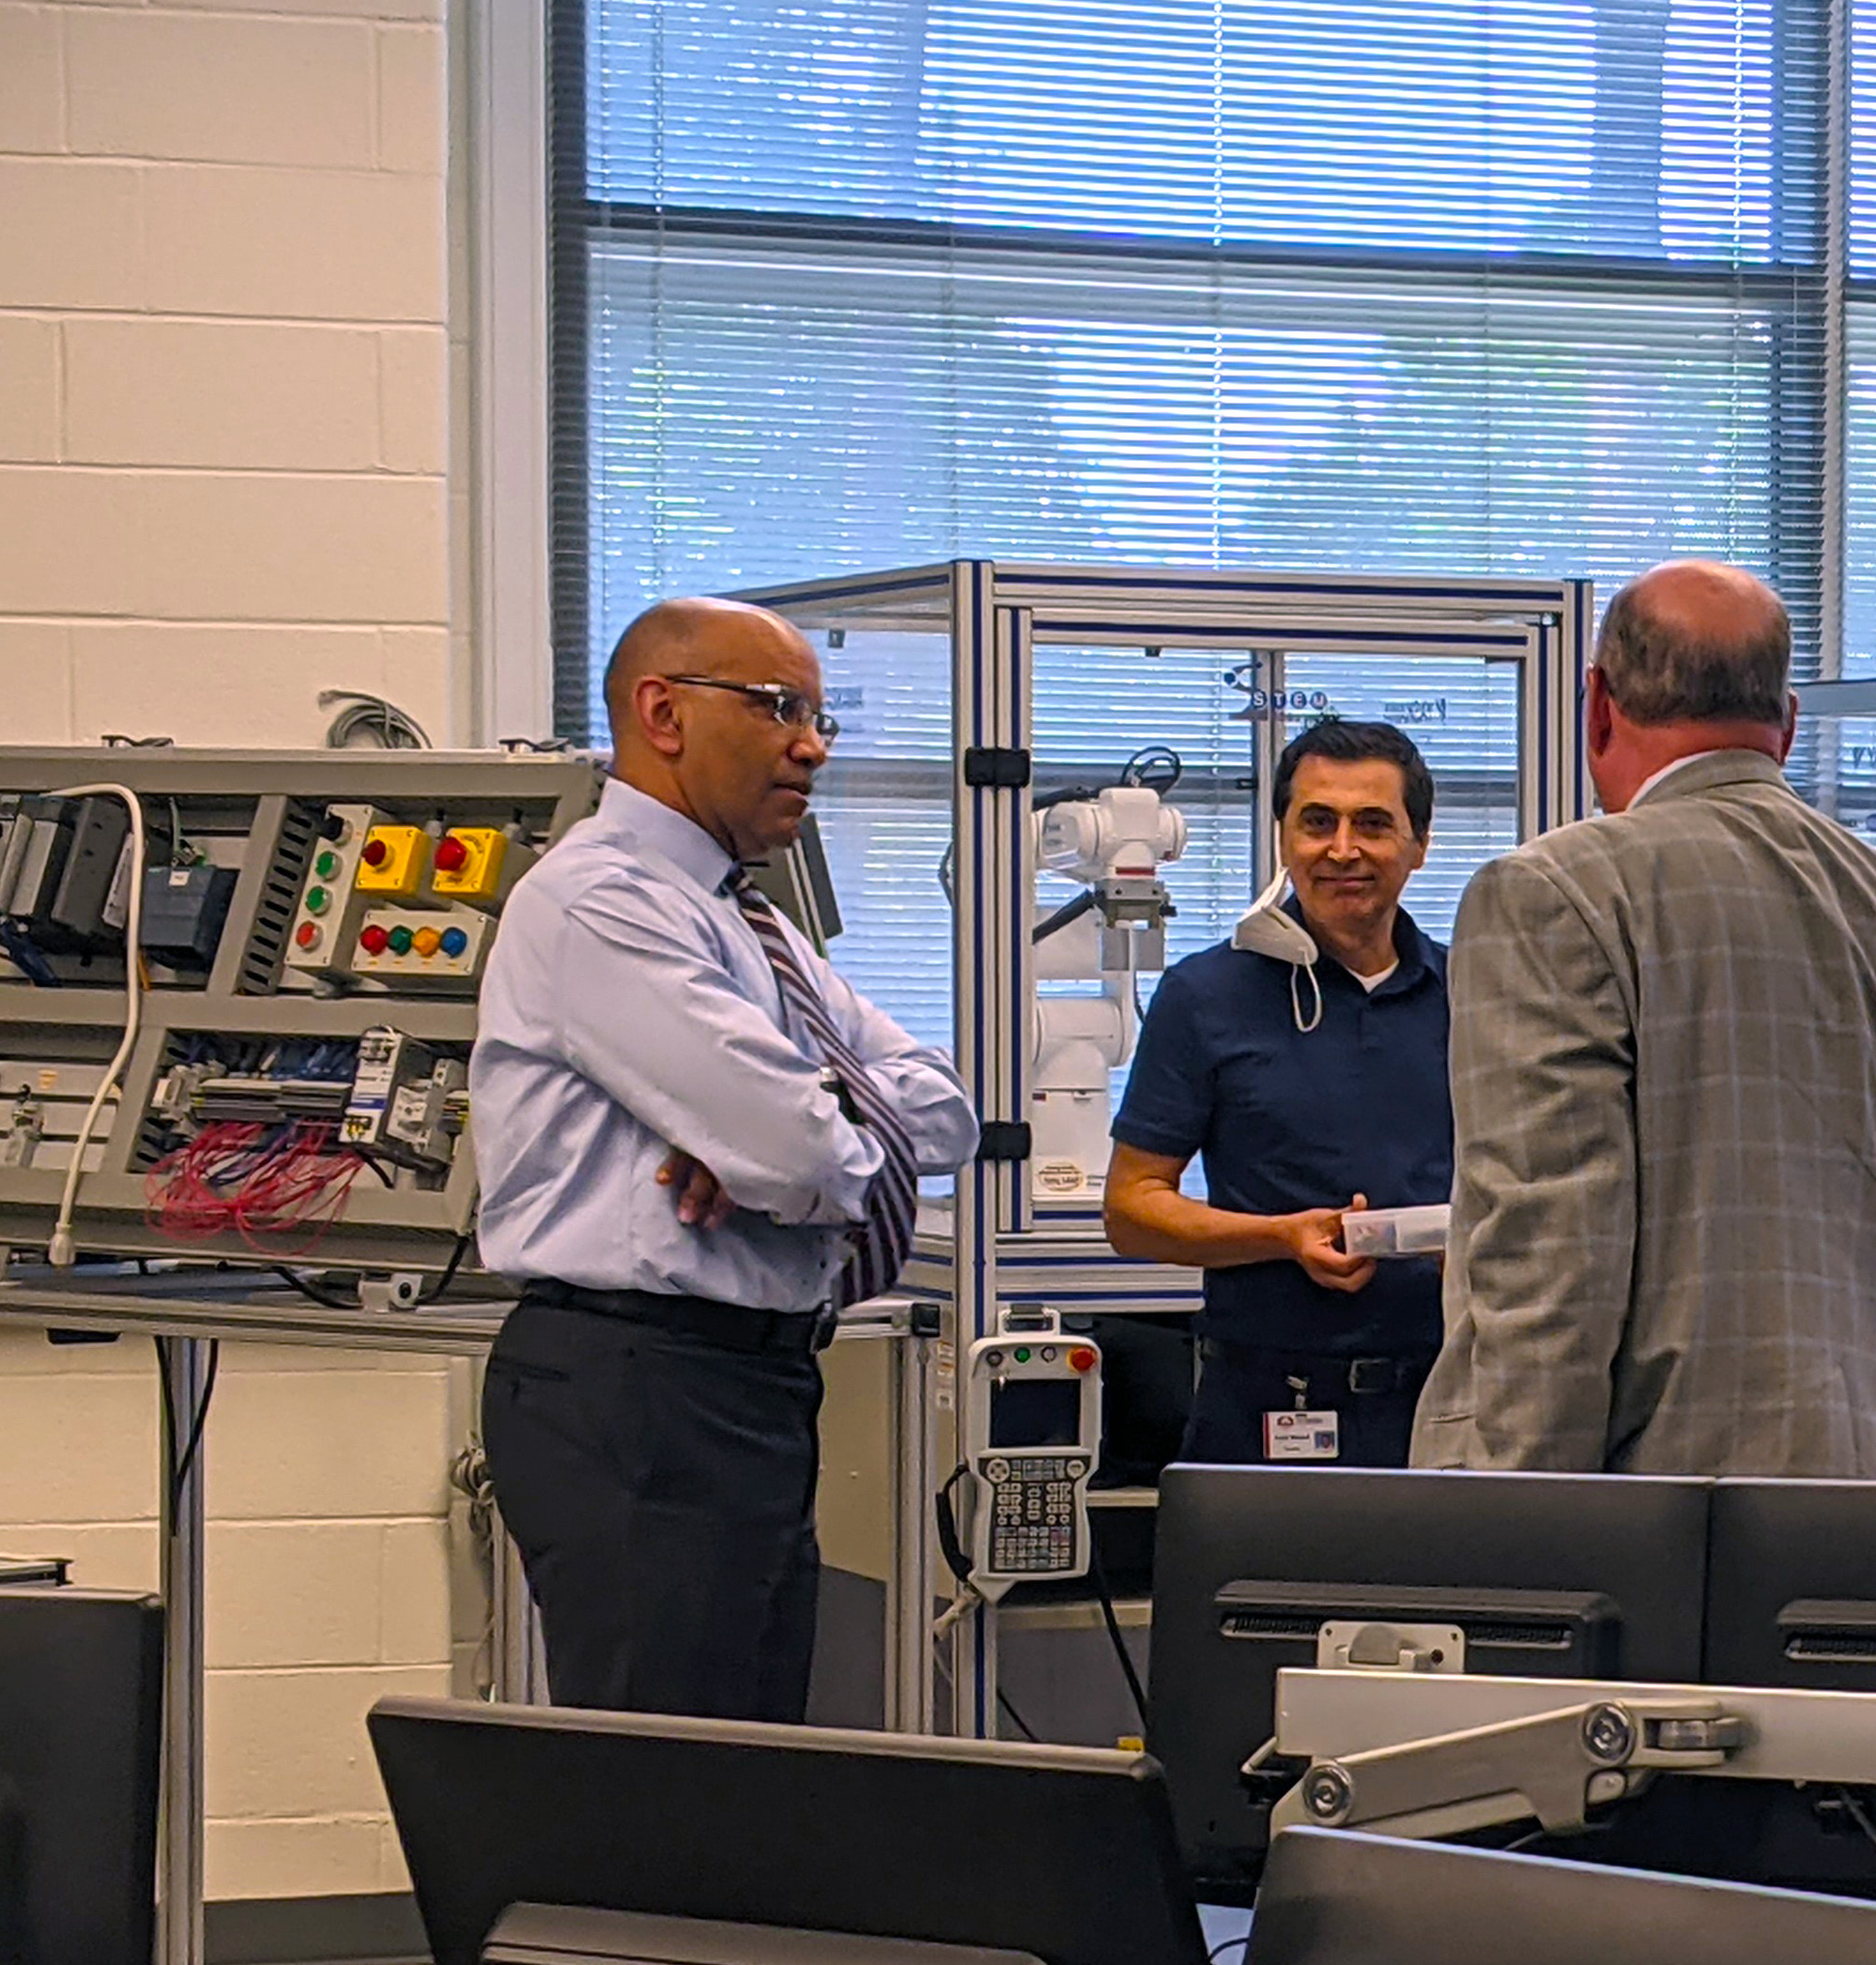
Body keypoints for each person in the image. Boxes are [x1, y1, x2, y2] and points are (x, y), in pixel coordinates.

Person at [1412, 560, 1876, 1476]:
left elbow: (1550, 1283)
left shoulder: (1554, 894)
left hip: (1659, 1531)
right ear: (1784, 725)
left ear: (1598, 706)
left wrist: (1505, 1554)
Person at [473, 596, 976, 1718]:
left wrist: (787, 1128)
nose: (814, 744)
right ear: (663, 711)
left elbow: (949, 1112)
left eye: (820, 715)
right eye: (780, 708)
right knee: (665, 1786)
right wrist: (787, 1135)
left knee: (746, 1765)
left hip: (747, 1382)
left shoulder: (749, 920)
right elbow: (799, 1152)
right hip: (639, 1384)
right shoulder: (601, 901)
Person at [1101, 719, 1451, 1466]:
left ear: (1419, 845)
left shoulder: (1476, 994)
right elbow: (1132, 1212)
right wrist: (1280, 1238)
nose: (1343, 849)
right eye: (1317, 822)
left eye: (1374, 825)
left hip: (1447, 1398)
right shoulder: (1206, 995)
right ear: (1283, 838)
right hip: (1269, 1401)